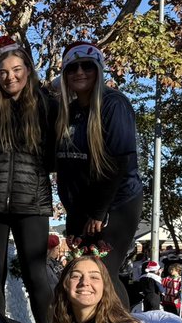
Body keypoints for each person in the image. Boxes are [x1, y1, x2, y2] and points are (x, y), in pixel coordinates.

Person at [0, 36, 58, 323]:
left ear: (28, 70)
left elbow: (54, 156)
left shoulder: (47, 106)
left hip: (31, 203)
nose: (10, 76)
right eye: (3, 72)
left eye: (16, 69)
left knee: (36, 274)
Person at [55, 43, 143, 307]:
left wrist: (98, 212)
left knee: (102, 272)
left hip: (117, 202)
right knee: (81, 272)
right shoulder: (68, 113)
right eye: (72, 68)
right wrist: (74, 215)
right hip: (82, 208)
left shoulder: (113, 104)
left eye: (86, 66)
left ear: (98, 70)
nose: (79, 72)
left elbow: (120, 161)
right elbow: (67, 170)